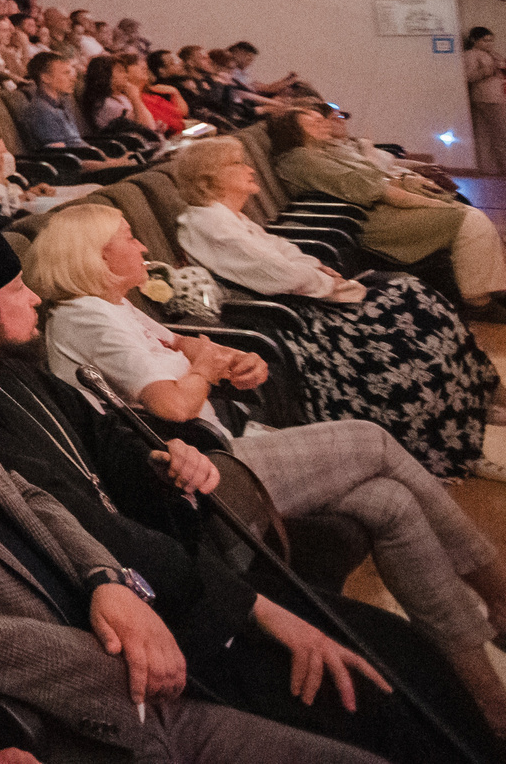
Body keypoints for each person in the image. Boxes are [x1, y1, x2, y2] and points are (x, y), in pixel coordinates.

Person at [0, 218, 455, 760]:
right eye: (17, 289)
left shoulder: (5, 365)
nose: (35, 298)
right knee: (386, 688)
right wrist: (254, 608)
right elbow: (77, 518)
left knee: (402, 650)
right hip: (160, 611)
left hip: (183, 573)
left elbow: (106, 437)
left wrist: (164, 459)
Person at [0, 269, 382, 764]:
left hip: (125, 620)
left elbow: (27, 493)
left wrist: (106, 581)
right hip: (80, 706)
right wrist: (120, 659)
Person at [29, 201, 506, 733]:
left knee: (387, 502)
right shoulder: (84, 315)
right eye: (127, 236)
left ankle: (479, 684)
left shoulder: (114, 304)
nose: (142, 244)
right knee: (371, 440)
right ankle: (497, 589)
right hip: (195, 476)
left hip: (221, 449)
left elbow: (183, 346)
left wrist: (228, 361)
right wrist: (207, 369)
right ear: (94, 256)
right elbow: (173, 406)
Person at [165, 136, 499, 477]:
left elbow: (283, 252)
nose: (249, 168)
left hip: (302, 301)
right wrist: (333, 285)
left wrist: (320, 271)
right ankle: (453, 440)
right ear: (209, 178)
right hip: (288, 318)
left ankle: (469, 400)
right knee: (410, 315)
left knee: (413, 294)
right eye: (237, 163)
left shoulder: (225, 216)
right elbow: (276, 274)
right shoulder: (208, 223)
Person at [270, 108, 506, 308]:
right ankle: (478, 301)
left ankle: (494, 288)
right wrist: (437, 205)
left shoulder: (319, 152)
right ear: (294, 131)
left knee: (464, 212)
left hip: (366, 212)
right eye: (313, 122)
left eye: (321, 119)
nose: (324, 123)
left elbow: (374, 178)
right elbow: (376, 190)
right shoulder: (301, 159)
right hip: (362, 221)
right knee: (467, 220)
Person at [13, 55, 141, 177]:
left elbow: (76, 144)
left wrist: (111, 160)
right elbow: (65, 162)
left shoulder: (62, 103)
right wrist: (112, 164)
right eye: (66, 73)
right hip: (78, 174)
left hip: (94, 163)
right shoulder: (41, 112)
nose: (73, 78)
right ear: (46, 78)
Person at [466, 27, 506, 177]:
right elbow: (469, 76)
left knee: (487, 134)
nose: (489, 44)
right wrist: (488, 71)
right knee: (501, 134)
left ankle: (489, 169)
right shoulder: (471, 55)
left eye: (491, 40)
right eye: (485, 40)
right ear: (474, 40)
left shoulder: (492, 54)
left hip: (496, 95)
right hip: (487, 98)